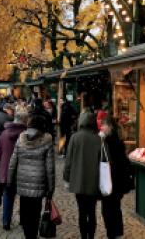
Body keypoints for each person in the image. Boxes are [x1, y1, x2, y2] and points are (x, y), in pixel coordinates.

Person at [8, 114, 55, 239]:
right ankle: (32, 235)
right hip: (38, 182)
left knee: (25, 211)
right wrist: (51, 188)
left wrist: (9, 180)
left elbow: (13, 161)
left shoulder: (21, 138)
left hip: (22, 181)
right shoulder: (47, 140)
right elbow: (50, 167)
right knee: (35, 213)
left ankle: (27, 234)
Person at [63, 100, 101, 239]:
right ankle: (91, 236)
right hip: (94, 181)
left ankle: (83, 236)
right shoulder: (99, 139)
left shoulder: (74, 137)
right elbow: (104, 161)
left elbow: (68, 161)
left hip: (78, 181)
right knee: (91, 211)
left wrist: (66, 178)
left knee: (81, 211)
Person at [0, 112, 27, 231]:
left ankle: (6, 221)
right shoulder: (26, 135)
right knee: (24, 196)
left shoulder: (5, 133)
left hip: (7, 170)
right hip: (23, 170)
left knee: (8, 195)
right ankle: (23, 220)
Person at [100, 119, 134, 239]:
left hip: (109, 180)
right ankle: (117, 231)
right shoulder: (118, 142)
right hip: (118, 181)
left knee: (107, 208)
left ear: (110, 128)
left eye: (104, 125)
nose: (102, 127)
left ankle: (111, 233)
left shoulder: (106, 142)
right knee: (116, 207)